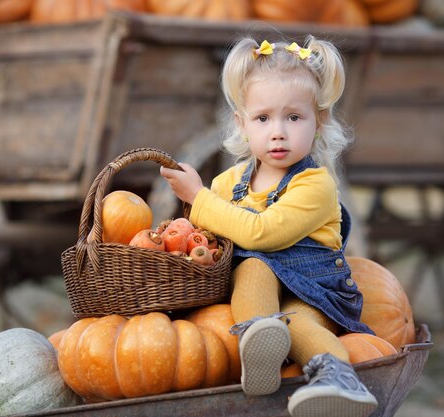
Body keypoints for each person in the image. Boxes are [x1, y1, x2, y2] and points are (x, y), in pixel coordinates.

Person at [160, 35, 378, 417]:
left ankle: (338, 380)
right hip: (260, 299)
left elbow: (263, 233)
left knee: (295, 319)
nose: (278, 131)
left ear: (319, 120)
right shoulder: (229, 183)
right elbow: (210, 238)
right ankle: (261, 340)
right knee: (255, 268)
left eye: (293, 117)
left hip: (314, 292)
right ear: (242, 123)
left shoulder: (315, 184)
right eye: (263, 118)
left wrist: (199, 198)